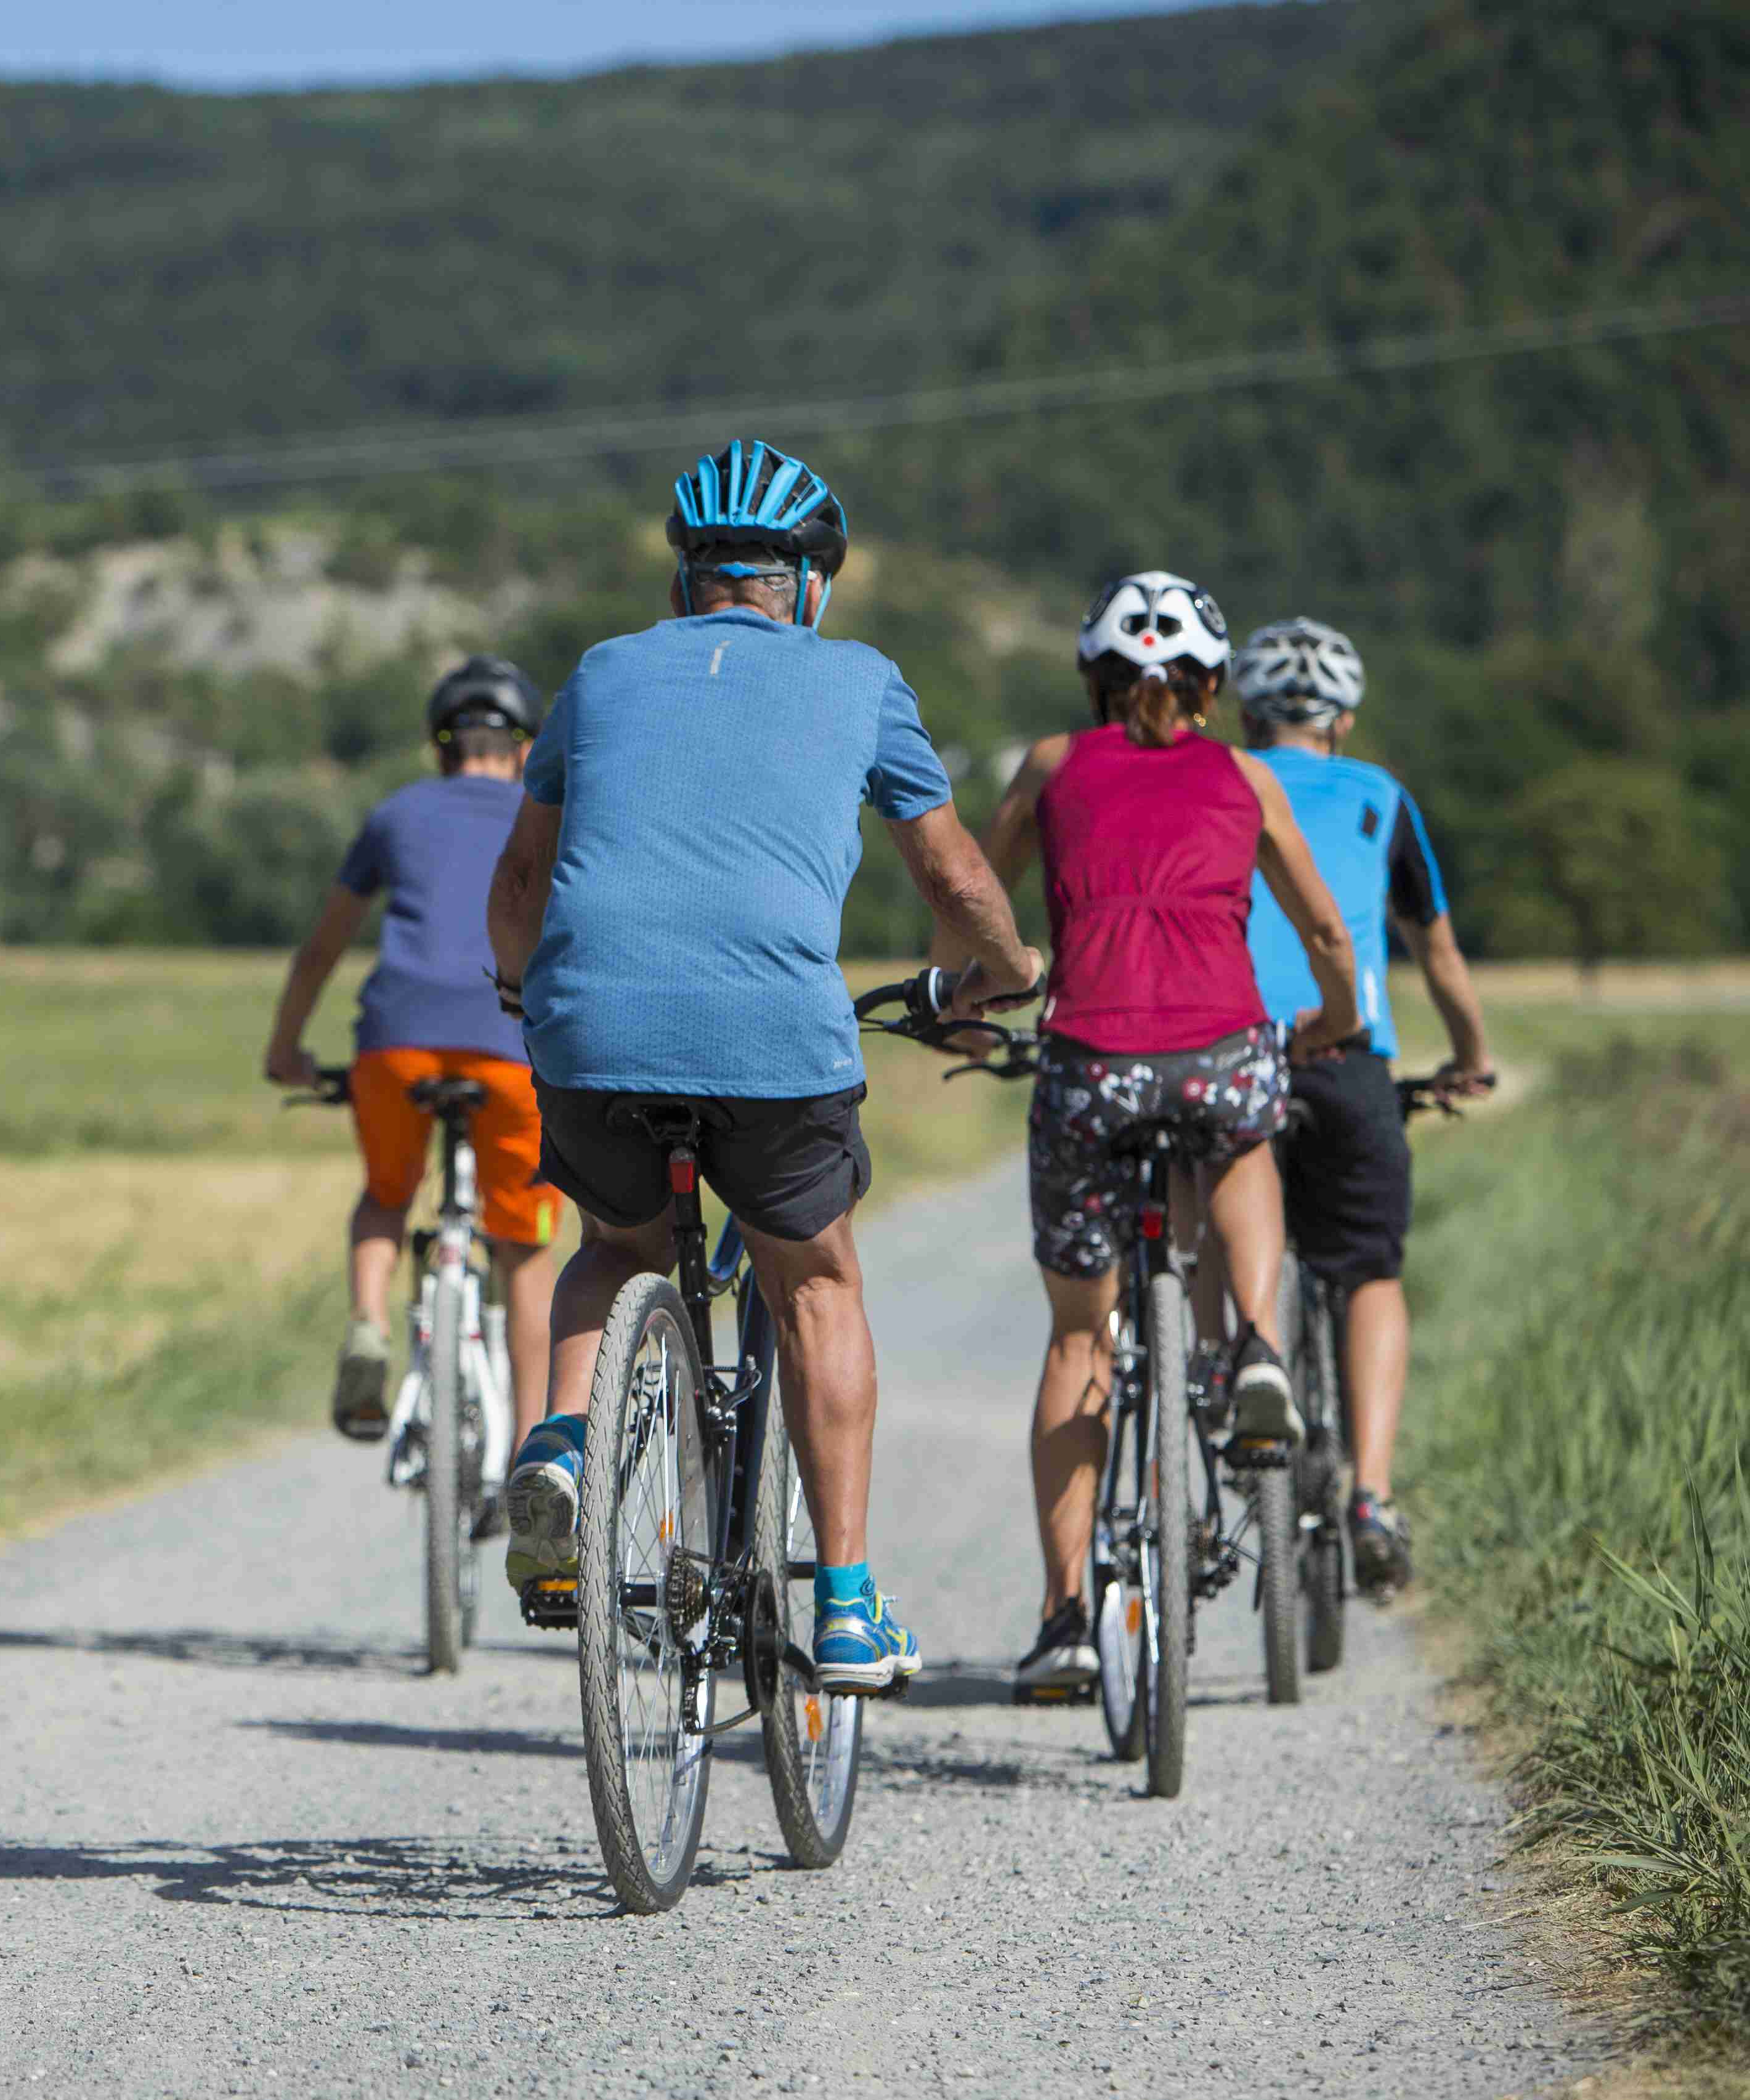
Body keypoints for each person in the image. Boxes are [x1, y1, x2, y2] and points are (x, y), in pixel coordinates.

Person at [485, 439, 1044, 1694]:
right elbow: (956, 877)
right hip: (775, 1041)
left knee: (616, 1243)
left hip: (592, 1027)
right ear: (809, 584)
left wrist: (526, 985)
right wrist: (1005, 973)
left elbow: (520, 881)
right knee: (817, 1285)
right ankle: (845, 1605)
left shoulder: (600, 672)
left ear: (688, 583)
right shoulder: (863, 681)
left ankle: (565, 1446)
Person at [966, 572, 1364, 1701]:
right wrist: (1333, 1021)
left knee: (1077, 1343)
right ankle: (1254, 1344)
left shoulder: (1051, 764)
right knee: (1243, 1136)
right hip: (1221, 1048)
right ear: (1210, 687)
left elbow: (979, 899)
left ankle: (1065, 1621)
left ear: (1097, 677)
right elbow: (1324, 925)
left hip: (1091, 1061)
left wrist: (969, 988)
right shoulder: (1242, 773)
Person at [1234, 617, 1493, 1595]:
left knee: (1224, 1222)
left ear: (1248, 712)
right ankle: (1372, 1495)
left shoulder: (1223, 781)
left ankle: (1244, 1372)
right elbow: (1439, 954)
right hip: (1349, 1057)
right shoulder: (1383, 796)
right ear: (1343, 718)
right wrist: (1470, 1058)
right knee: (1373, 1270)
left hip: (1234, 1049)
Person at [262, 656, 563, 1475]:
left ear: (441, 748)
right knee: (524, 1247)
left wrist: (286, 1047)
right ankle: (538, 1452)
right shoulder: (548, 817)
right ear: (527, 748)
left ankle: (368, 1324)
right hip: (511, 1047)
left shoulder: (396, 813)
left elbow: (324, 944)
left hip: (393, 1040)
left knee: (388, 1197)